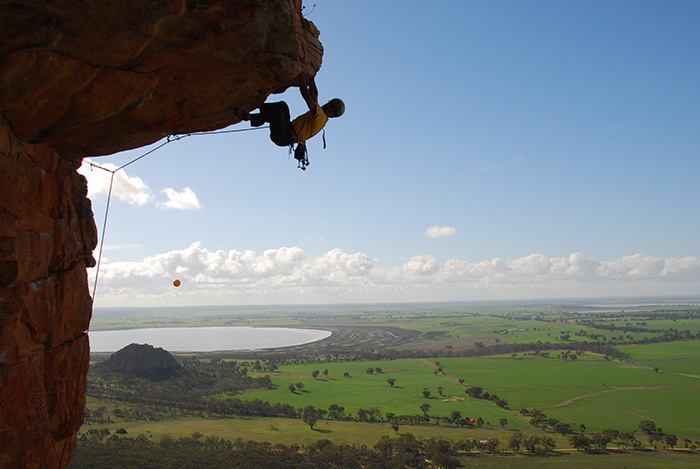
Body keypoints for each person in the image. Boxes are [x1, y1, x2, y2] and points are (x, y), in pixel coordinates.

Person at [236, 75, 344, 169]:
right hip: (288, 128)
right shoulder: (321, 114)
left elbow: (307, 95)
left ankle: (248, 116)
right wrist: (311, 77)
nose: (329, 105)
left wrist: (301, 76)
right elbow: (314, 95)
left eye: (332, 107)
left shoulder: (320, 117)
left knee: (278, 113)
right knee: (283, 106)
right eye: (330, 103)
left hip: (284, 136)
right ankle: (256, 104)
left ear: (333, 115)